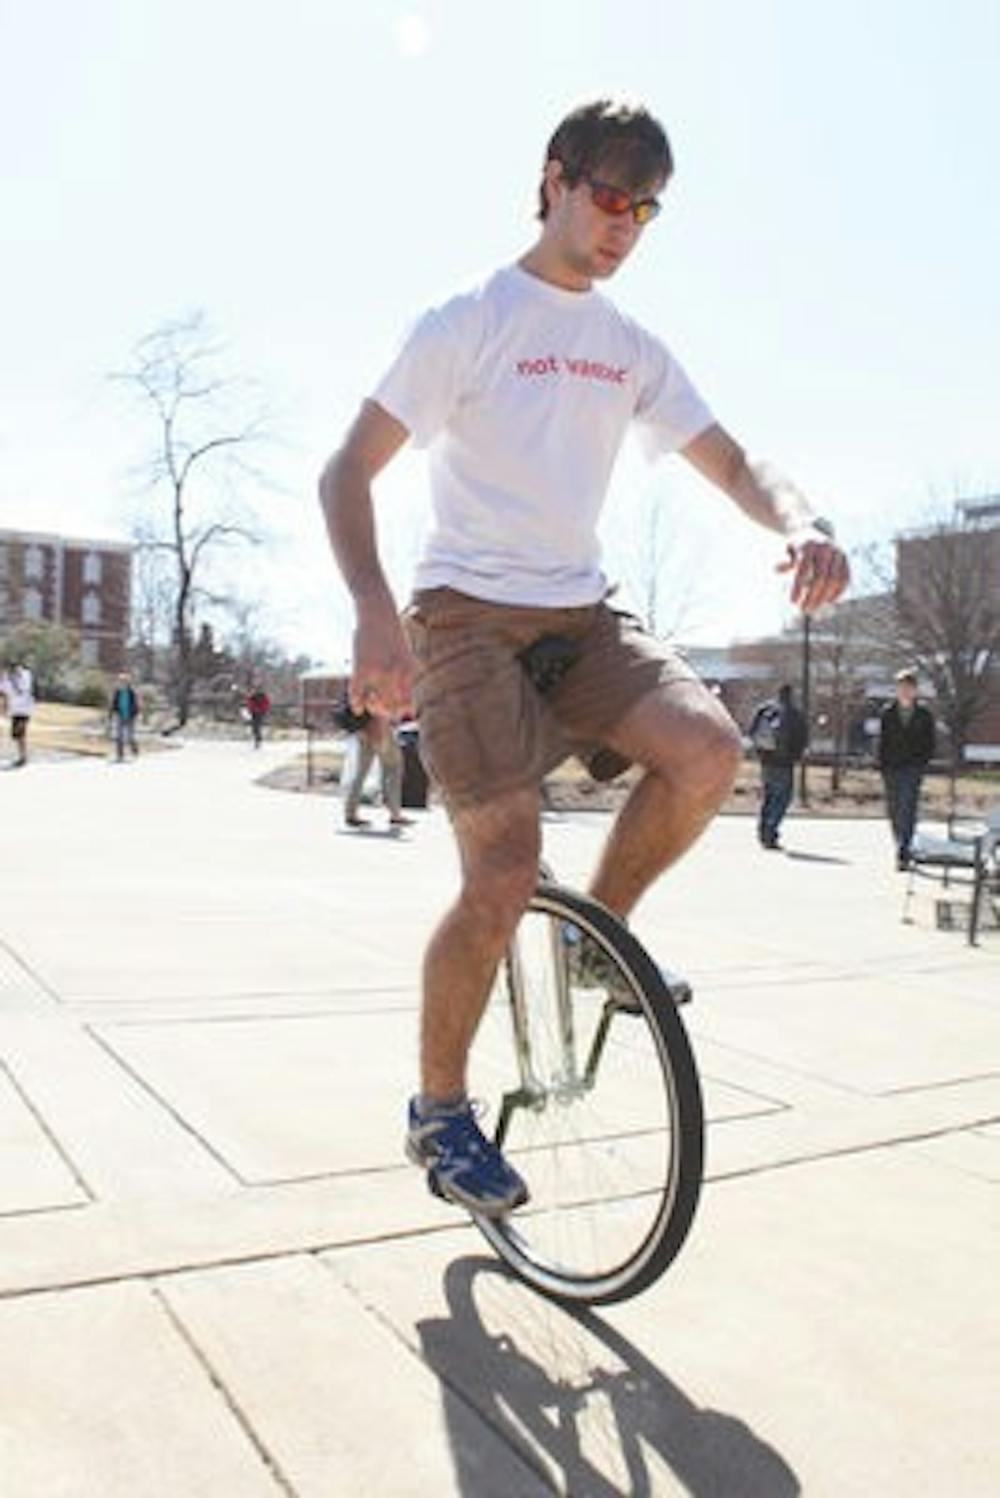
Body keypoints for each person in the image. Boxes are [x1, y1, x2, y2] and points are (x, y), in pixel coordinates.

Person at [318, 98, 849, 1215]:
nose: (624, 225)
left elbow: (735, 457)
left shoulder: (629, 349)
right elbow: (346, 471)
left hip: (581, 615)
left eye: (646, 210)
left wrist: (799, 523)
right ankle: (439, 1109)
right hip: (462, 617)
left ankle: (598, 943)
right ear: (553, 181)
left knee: (708, 751)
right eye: (609, 196)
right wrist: (372, 610)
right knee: (502, 872)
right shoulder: (468, 320)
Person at [877, 668, 935, 869]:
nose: (905, 691)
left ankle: (904, 848)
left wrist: (922, 763)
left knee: (908, 807)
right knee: (894, 808)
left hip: (913, 767)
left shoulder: (924, 715)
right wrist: (881, 765)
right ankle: (899, 842)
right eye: (901, 687)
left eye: (909, 688)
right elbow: (882, 742)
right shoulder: (887, 713)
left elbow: (930, 742)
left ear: (915, 690)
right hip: (891, 767)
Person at [748, 683, 808, 849]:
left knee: (769, 797)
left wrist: (761, 753)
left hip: (766, 762)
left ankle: (763, 829)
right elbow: (802, 738)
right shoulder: (794, 714)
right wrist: (796, 756)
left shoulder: (765, 710)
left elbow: (752, 732)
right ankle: (770, 830)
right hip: (784, 763)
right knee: (782, 799)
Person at [339, 703, 412, 829]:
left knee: (361, 772)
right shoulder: (380, 684)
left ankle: (350, 813)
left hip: (363, 729)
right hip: (379, 727)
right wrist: (383, 733)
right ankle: (395, 813)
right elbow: (381, 709)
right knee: (393, 767)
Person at [0, 661, 35, 767]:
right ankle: (23, 756)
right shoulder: (7, 680)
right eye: (14, 668)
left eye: (19, 668)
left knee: (20, 734)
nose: (17, 670)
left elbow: (23, 687)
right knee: (16, 735)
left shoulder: (26, 676)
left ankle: (23, 758)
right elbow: (4, 694)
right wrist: (4, 708)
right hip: (15, 711)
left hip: (25, 710)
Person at [107, 671, 140, 761]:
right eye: (121, 681)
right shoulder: (117, 692)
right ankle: (120, 754)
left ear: (128, 683)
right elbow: (113, 704)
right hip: (120, 715)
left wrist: (135, 714)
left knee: (130, 736)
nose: (122, 683)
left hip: (130, 716)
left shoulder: (131, 692)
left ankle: (135, 751)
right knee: (119, 735)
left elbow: (136, 705)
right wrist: (111, 714)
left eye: (124, 681)